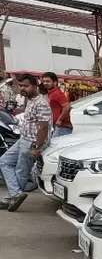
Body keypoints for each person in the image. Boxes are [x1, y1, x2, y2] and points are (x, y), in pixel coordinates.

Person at [0, 74, 50, 212]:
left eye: (26, 86)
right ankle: (15, 195)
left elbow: (43, 127)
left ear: (34, 86)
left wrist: (36, 147)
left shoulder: (41, 103)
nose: (22, 88)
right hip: (23, 138)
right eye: (20, 85)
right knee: (4, 161)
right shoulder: (30, 100)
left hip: (32, 142)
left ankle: (12, 197)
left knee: (21, 171)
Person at [40, 72, 72, 138]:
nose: (45, 83)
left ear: (55, 82)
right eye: (44, 81)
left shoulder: (57, 93)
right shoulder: (51, 93)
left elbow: (67, 107)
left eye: (48, 81)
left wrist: (59, 120)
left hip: (62, 127)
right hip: (56, 126)